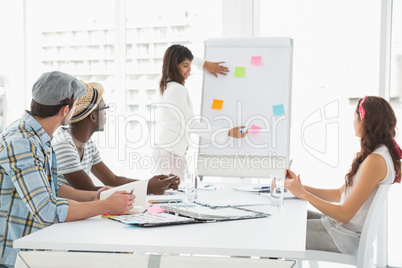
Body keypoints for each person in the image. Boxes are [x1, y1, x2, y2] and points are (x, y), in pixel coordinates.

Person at [0, 71, 139, 268]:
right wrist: (106, 206)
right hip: (17, 257)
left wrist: (96, 197)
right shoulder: (22, 143)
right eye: (75, 106)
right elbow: (46, 210)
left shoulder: (38, 136)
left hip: (38, 245)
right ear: (65, 110)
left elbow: (51, 188)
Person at [284, 96, 401, 255]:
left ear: (365, 122)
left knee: (278, 231)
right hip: (338, 229)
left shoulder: (376, 160)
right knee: (286, 217)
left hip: (342, 236)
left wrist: (303, 194)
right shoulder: (379, 154)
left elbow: (345, 214)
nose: (353, 122)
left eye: (355, 117)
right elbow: (340, 193)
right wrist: (298, 188)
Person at [52, 81, 179, 194]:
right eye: (104, 108)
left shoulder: (87, 144)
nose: (106, 113)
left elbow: (112, 179)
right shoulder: (64, 145)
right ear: (93, 116)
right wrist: (146, 188)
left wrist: (152, 183)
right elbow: (89, 190)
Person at [152, 44, 247, 179]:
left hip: (167, 151)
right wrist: (228, 133)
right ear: (174, 65)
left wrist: (204, 64)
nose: (189, 69)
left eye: (190, 65)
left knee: (178, 192)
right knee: (177, 194)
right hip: (170, 154)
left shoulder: (164, 84)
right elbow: (192, 125)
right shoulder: (176, 90)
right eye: (185, 66)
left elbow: (180, 58)